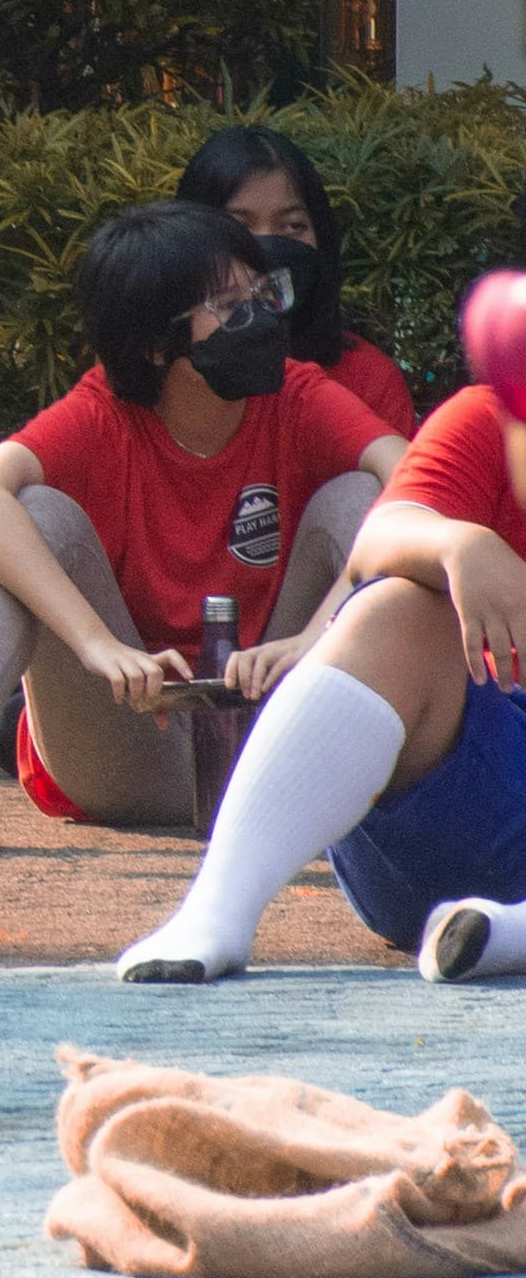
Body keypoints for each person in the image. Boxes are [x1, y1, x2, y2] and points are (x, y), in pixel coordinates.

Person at [0, 200, 401, 853]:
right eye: (229, 303)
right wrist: (96, 645)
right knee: (35, 513)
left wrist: (315, 634)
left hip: (276, 731)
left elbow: (412, 481)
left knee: (360, 495)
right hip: (137, 738)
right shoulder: (103, 413)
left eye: (263, 292)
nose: (261, 315)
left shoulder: (296, 393)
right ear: (155, 345)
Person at [105, 323, 526, 983]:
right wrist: (456, 544)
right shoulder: (489, 417)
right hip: (476, 798)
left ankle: (507, 936)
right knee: (392, 608)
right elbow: (379, 538)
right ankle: (215, 910)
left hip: (484, 906)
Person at [174, 121, 415, 437]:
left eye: (291, 226)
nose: (265, 249)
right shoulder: (165, 379)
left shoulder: (366, 379)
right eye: (238, 227)